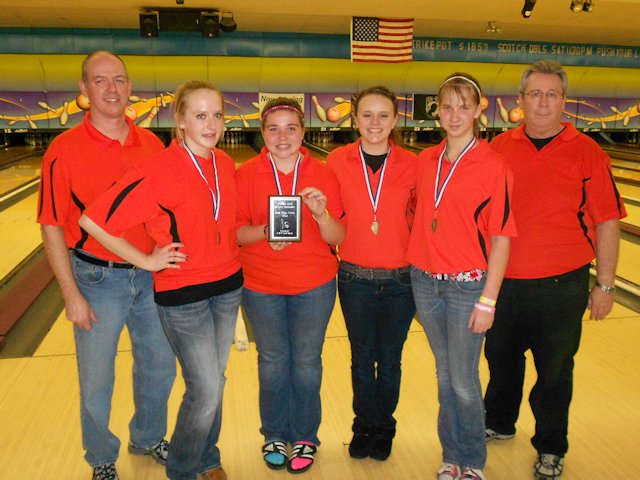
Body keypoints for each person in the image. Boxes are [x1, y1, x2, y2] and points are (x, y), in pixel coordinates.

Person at [79, 80, 242, 480]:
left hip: (227, 287)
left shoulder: (223, 163)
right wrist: (146, 261)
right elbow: (93, 220)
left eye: (217, 114)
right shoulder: (156, 170)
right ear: (181, 121)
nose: (211, 124)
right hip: (183, 295)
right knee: (204, 389)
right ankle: (183, 471)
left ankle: (207, 456)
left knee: (214, 383)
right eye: (200, 115)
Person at [483, 60, 626, 480]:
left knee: (555, 373)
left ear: (564, 101)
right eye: (535, 94)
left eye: (552, 94)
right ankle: (499, 422)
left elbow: (607, 220)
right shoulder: (498, 148)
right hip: (504, 283)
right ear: (520, 100)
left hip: (562, 285)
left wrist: (605, 284)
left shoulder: (588, 152)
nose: (543, 103)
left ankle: (550, 446)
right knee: (500, 362)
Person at [37, 50, 176, 480]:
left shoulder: (152, 144)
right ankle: (101, 458)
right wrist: (71, 295)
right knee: (96, 380)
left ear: (130, 87)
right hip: (97, 279)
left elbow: (169, 212)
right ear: (83, 90)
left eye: (119, 79)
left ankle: (148, 435)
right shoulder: (63, 150)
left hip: (151, 278)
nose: (112, 89)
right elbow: (51, 226)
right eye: (100, 81)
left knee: (159, 366)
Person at [407, 73, 517, 480]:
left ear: (478, 109)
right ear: (438, 110)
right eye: (447, 107)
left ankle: (471, 462)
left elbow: (502, 237)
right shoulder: (426, 160)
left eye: (463, 106)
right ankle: (450, 456)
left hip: (467, 286)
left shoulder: (494, 165)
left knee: (465, 380)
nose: (454, 115)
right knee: (444, 373)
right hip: (424, 280)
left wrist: (488, 300)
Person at [235, 97, 345, 474]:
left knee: (306, 362)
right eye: (273, 128)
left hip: (314, 284)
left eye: (291, 128)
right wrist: (265, 232)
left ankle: (305, 438)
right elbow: (234, 233)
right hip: (260, 284)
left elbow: (339, 235)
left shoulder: (325, 172)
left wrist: (321, 214)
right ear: (263, 133)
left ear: (303, 132)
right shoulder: (245, 173)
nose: (283, 137)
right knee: (272, 363)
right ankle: (275, 435)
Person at [326, 86, 417, 462]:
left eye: (383, 115)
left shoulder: (415, 163)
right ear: (355, 119)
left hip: (401, 280)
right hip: (354, 278)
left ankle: (385, 426)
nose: (375, 123)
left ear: (396, 120)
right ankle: (363, 425)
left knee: (390, 358)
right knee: (362, 358)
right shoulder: (336, 160)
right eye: (367, 115)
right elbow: (328, 219)